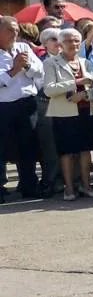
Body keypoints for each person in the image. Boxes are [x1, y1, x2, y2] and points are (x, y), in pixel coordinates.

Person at [43, 28, 93, 200]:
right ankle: (69, 188)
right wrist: (76, 83)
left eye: (76, 40)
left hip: (87, 111)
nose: (73, 44)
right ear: (61, 43)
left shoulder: (86, 62)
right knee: (67, 152)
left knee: (86, 150)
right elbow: (48, 90)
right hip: (64, 115)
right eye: (69, 41)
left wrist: (84, 94)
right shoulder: (51, 63)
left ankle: (86, 186)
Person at [0, 15, 45, 201]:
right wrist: (13, 70)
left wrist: (25, 66)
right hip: (4, 107)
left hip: (27, 104)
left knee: (28, 146)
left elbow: (40, 71)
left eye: (16, 29)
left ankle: (29, 185)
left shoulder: (24, 47)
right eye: (10, 30)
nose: (15, 33)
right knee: (2, 148)